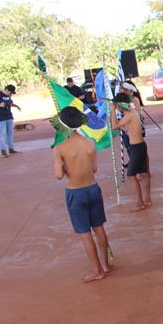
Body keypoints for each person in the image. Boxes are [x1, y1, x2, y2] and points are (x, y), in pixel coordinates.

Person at [53, 106, 112, 283]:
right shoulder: (90, 143)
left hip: (75, 192)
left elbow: (58, 175)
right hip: (93, 188)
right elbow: (94, 168)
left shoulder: (60, 148)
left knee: (85, 233)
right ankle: (106, 265)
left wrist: (64, 165)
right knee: (99, 227)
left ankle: (97, 271)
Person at [111, 93, 151, 211]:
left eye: (117, 106)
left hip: (137, 147)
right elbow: (124, 127)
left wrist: (113, 111)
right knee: (144, 174)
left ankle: (140, 203)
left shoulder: (129, 114)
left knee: (131, 176)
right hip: (140, 146)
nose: (117, 108)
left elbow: (114, 126)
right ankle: (147, 200)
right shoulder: (133, 113)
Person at [0, 84, 20, 157]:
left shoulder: (8, 96)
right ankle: (3, 151)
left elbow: (10, 103)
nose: (11, 94)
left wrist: (16, 106)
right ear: (6, 90)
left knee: (10, 133)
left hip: (9, 116)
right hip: (0, 117)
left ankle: (11, 149)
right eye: (10, 93)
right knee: (3, 134)